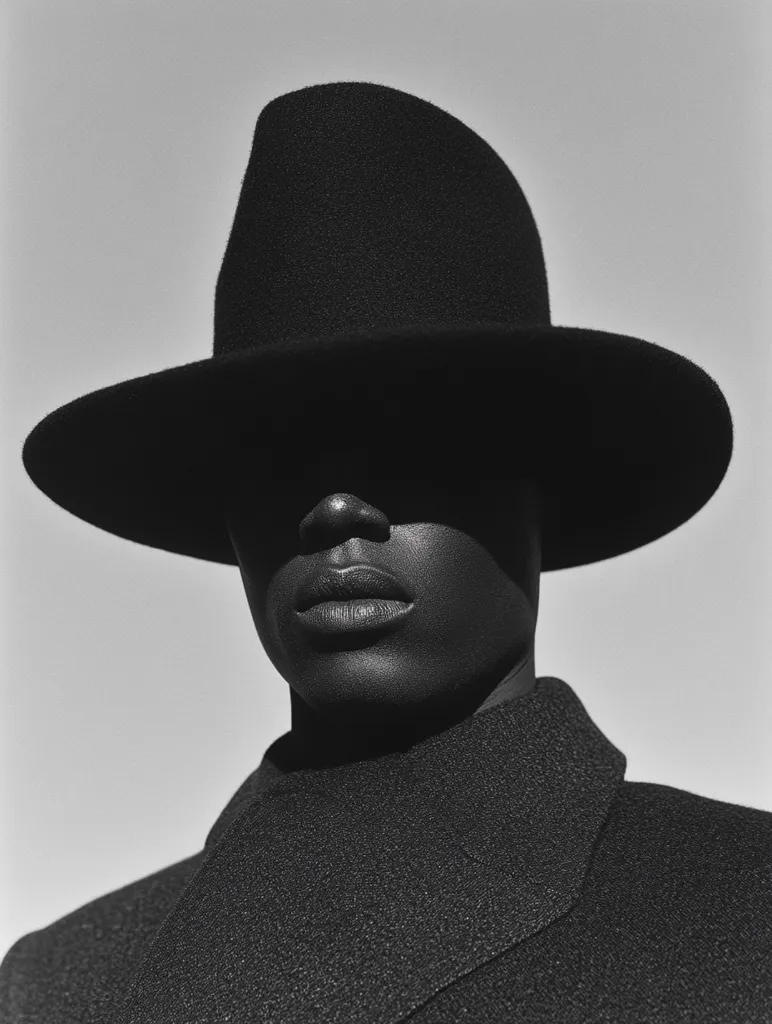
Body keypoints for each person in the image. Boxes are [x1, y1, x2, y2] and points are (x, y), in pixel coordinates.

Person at [1, 80, 770, 1023]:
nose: (332, 507)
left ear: (542, 486)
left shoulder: (741, 909)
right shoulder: (60, 985)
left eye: (409, 434)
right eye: (274, 452)